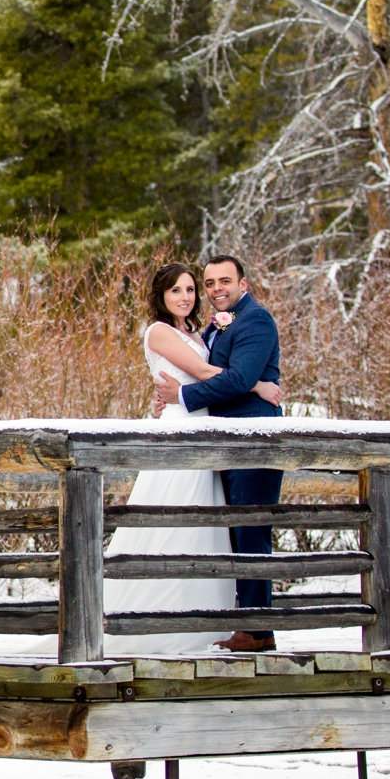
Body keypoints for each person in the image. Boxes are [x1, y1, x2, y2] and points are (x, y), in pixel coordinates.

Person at [111, 263, 283, 655]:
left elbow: (225, 377)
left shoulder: (253, 320)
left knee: (247, 529)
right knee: (197, 524)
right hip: (195, 435)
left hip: (248, 438)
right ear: (161, 296)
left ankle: (255, 629)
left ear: (243, 283)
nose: (191, 295)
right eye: (183, 289)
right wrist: (253, 383)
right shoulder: (171, 331)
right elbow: (212, 372)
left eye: (194, 288)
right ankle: (217, 620)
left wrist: (189, 395)